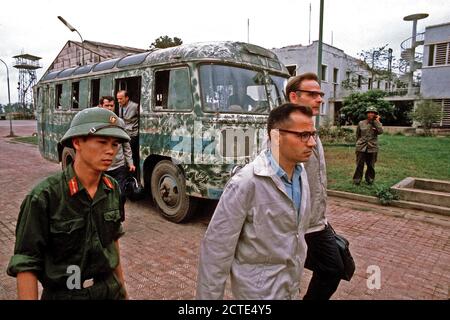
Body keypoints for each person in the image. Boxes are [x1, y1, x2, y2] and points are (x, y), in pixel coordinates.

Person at [7, 107, 130, 300]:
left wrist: (122, 291)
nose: (110, 151)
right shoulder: (45, 196)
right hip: (65, 295)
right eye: (102, 142)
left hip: (108, 292)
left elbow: (112, 242)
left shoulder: (111, 187)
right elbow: (26, 264)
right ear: (77, 142)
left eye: (115, 144)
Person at [196, 103, 316, 300]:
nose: (311, 142)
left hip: (291, 287)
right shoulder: (246, 182)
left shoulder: (301, 174)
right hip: (257, 293)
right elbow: (216, 251)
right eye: (303, 135)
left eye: (313, 134)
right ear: (276, 136)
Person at [286, 72, 344, 300]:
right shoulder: (281, 132)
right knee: (332, 268)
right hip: (298, 222)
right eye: (312, 94)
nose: (319, 98)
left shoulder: (310, 128)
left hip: (316, 220)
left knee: (334, 267)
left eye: (320, 94)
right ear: (293, 97)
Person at [99, 96, 136, 215]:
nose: (110, 108)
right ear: (101, 106)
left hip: (118, 166)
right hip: (102, 167)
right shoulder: (96, 123)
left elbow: (126, 144)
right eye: (107, 105)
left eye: (111, 105)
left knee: (121, 195)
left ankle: (119, 219)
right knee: (102, 196)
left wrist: (130, 163)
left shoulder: (120, 122)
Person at [352, 106, 383, 185]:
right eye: (369, 112)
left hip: (372, 147)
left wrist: (376, 121)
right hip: (361, 147)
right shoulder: (361, 123)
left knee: (371, 165)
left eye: (373, 113)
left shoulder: (377, 123)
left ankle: (369, 179)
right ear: (366, 114)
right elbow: (358, 134)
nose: (371, 114)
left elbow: (380, 131)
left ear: (375, 114)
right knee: (359, 164)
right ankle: (357, 180)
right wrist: (358, 143)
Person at [116, 90, 139, 174]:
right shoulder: (120, 106)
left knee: (130, 155)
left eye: (121, 99)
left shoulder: (135, 106)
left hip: (132, 135)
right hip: (124, 133)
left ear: (127, 98)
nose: (119, 101)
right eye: (117, 99)